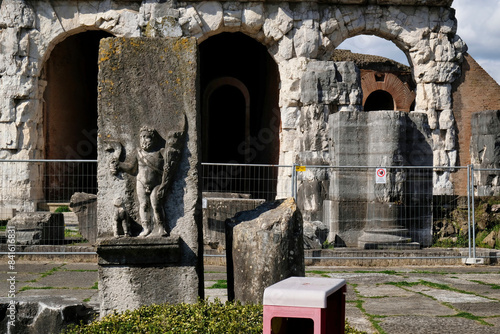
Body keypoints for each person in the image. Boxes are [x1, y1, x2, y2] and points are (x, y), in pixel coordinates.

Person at [110, 126, 183, 237]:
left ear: (153, 139)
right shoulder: (138, 152)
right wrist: (119, 164)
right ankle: (146, 228)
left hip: (156, 184)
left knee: (156, 204)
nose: (144, 140)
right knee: (143, 205)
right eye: (142, 137)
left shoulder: (160, 153)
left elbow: (168, 164)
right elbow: (131, 167)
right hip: (141, 182)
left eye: (147, 137)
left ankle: (161, 226)